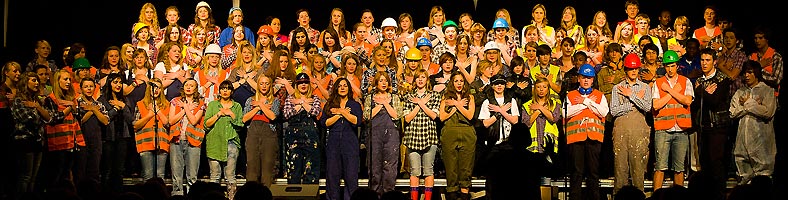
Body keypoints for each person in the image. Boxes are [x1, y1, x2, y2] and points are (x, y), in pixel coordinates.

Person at [691, 48, 732, 199]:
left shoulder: (722, 79)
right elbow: (695, 105)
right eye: (702, 60)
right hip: (703, 127)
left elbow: (714, 101)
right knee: (704, 163)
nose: (704, 63)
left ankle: (719, 196)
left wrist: (700, 91)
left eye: (707, 60)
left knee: (716, 163)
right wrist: (704, 91)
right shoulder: (700, 80)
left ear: (714, 62)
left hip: (717, 127)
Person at [564, 64, 608, 200]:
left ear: (593, 79)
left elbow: (603, 112)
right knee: (576, 173)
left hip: (594, 139)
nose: (586, 80)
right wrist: (586, 103)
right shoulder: (570, 95)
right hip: (576, 140)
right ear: (579, 78)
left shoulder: (600, 96)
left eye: (589, 78)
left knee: (593, 173)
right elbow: (566, 113)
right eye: (583, 77)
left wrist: (586, 101)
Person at [652, 50, 694, 191]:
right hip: (663, 129)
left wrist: (670, 90)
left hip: (681, 130)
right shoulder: (658, 83)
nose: (670, 69)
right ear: (664, 66)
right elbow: (656, 105)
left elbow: (687, 100)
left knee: (679, 168)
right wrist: (674, 92)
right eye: (668, 66)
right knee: (660, 167)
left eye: (673, 66)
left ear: (677, 66)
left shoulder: (685, 81)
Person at [610, 54, 652, 194]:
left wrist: (630, 95)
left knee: (638, 171)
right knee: (620, 170)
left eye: (636, 69)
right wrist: (633, 103)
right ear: (626, 70)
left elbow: (647, 107)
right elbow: (614, 110)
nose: (633, 71)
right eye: (630, 69)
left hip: (639, 133)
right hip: (621, 133)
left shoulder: (645, 87)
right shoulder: (617, 88)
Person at [730, 61, 777, 185]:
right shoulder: (740, 92)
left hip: (762, 144)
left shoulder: (767, 90)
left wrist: (747, 103)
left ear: (756, 73)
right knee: (743, 176)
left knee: (763, 178)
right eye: (745, 72)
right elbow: (733, 113)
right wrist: (752, 105)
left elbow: (768, 112)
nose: (746, 75)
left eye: (750, 72)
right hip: (742, 143)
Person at [11, 72, 54, 198]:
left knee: (34, 177)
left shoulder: (35, 101)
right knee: (25, 176)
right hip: (25, 141)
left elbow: (49, 118)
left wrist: (37, 106)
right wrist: (41, 113)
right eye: (33, 80)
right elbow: (29, 119)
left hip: (38, 140)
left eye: (37, 80)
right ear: (26, 83)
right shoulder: (19, 100)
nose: (37, 83)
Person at [43, 69, 86, 192]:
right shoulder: (50, 99)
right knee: (56, 175)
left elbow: (78, 116)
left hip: (71, 142)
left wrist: (74, 107)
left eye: (69, 80)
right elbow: (52, 119)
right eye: (65, 79)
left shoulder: (72, 98)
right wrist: (68, 109)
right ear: (58, 81)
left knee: (67, 174)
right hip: (57, 145)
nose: (68, 82)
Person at [478, 74, 520, 196]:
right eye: (496, 83)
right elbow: (485, 123)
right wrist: (498, 113)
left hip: (509, 143)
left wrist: (500, 110)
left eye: (501, 83)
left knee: (509, 175)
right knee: (491, 176)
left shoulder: (511, 101)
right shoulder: (487, 102)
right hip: (493, 143)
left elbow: (515, 120)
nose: (499, 86)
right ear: (492, 86)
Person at [322, 78, 363, 200]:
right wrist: (341, 112)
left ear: (349, 88)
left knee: (351, 177)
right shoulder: (330, 104)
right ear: (336, 88)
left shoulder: (354, 105)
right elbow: (325, 123)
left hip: (350, 143)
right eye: (340, 86)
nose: (342, 88)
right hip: (333, 143)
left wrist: (341, 112)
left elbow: (357, 121)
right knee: (332, 176)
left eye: (345, 85)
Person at [363, 71, 403, 196]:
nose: (384, 83)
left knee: (390, 167)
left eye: (385, 80)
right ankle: (375, 194)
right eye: (381, 80)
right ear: (376, 83)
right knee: (375, 166)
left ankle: (388, 194)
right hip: (374, 136)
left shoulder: (394, 97)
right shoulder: (370, 98)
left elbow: (397, 115)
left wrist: (385, 103)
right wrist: (379, 106)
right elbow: (366, 116)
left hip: (391, 136)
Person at [439, 71, 475, 200]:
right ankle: (452, 191)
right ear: (452, 83)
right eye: (456, 81)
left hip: (467, 132)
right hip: (450, 131)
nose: (459, 84)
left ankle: (465, 192)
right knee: (451, 165)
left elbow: (470, 115)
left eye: (461, 81)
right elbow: (442, 117)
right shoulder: (446, 97)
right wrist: (453, 108)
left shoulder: (470, 97)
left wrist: (458, 105)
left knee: (466, 166)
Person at [204, 80, 243, 199]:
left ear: (231, 91)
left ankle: (231, 198)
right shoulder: (213, 105)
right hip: (215, 143)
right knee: (215, 175)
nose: (225, 91)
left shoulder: (237, 106)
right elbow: (206, 124)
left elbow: (240, 125)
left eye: (228, 88)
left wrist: (231, 114)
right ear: (219, 91)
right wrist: (218, 115)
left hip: (231, 142)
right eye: (223, 88)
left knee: (230, 175)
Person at [167, 78, 205, 196]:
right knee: (176, 174)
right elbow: (171, 120)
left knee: (192, 175)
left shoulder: (200, 103)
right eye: (186, 85)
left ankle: (191, 195)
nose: (189, 87)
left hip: (193, 141)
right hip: (176, 140)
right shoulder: (175, 101)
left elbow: (194, 121)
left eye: (191, 85)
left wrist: (186, 107)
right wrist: (185, 109)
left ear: (195, 88)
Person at [97, 73, 134, 193]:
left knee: (119, 169)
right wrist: (116, 108)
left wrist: (123, 106)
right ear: (109, 83)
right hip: (108, 138)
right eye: (115, 82)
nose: (118, 85)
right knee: (107, 169)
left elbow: (130, 120)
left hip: (122, 137)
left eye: (120, 82)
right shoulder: (102, 99)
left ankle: (118, 194)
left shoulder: (125, 99)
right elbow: (104, 119)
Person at [283, 73, 322, 184]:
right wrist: (303, 103)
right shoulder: (290, 98)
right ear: (296, 85)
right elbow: (287, 114)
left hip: (311, 136)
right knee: (293, 170)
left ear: (309, 85)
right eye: (300, 83)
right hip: (293, 137)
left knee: (311, 170)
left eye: (305, 82)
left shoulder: (315, 98)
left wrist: (299, 103)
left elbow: (315, 112)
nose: (303, 85)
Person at [241, 74, 280, 187]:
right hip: (253, 135)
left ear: (270, 86)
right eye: (261, 83)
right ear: (258, 85)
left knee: (267, 168)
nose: (264, 86)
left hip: (269, 136)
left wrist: (259, 105)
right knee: (252, 167)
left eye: (267, 83)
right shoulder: (250, 100)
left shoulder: (275, 101)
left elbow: (272, 116)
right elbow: (244, 118)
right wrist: (259, 107)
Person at [132, 78, 170, 181]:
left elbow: (167, 124)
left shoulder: (167, 104)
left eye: (158, 87)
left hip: (161, 144)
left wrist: (158, 111)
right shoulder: (140, 104)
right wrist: (149, 115)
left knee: (160, 175)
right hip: (146, 143)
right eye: (153, 87)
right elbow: (135, 125)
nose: (156, 90)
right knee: (148, 176)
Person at [73, 77, 109, 186]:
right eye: (86, 86)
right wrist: (91, 111)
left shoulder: (99, 104)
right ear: (81, 88)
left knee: (94, 170)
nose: (89, 89)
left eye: (91, 86)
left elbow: (105, 121)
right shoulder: (77, 103)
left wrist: (93, 109)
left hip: (96, 140)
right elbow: (81, 121)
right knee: (80, 170)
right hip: (81, 139)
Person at [751, 26, 783, 97]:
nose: (757, 41)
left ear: (767, 39)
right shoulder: (752, 56)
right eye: (755, 38)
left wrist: (757, 68)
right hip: (753, 95)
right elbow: (746, 76)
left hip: (770, 96)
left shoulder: (776, 56)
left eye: (760, 38)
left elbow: (776, 80)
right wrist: (759, 65)